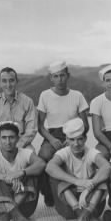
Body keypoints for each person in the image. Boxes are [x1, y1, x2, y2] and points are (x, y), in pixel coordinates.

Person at [37, 61, 90, 206]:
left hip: (74, 135)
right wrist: (52, 139)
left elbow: (85, 125)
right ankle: (48, 193)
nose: (60, 79)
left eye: (62, 75)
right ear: (51, 78)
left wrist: (73, 139)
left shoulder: (77, 95)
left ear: (68, 76)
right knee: (43, 157)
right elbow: (40, 126)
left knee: (80, 157)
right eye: (56, 76)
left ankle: (79, 190)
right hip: (53, 134)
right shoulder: (45, 95)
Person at [0, 121, 46, 221]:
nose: (8, 142)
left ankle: (9, 214)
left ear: (18, 138)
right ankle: (15, 215)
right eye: (4, 138)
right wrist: (5, 177)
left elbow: (41, 164)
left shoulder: (25, 153)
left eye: (11, 137)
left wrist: (21, 172)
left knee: (33, 172)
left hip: (25, 207)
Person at [46, 118, 111, 221]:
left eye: (80, 139)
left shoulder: (91, 152)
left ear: (85, 138)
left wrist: (88, 188)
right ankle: (84, 217)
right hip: (68, 207)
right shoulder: (63, 153)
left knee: (102, 177)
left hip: (91, 204)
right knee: (57, 175)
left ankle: (83, 217)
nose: (76, 144)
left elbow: (107, 167)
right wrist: (77, 181)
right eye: (72, 140)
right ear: (66, 139)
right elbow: (49, 167)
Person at [0, 67, 37, 152]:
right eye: (4, 81)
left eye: (11, 80)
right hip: (0, 145)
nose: (8, 85)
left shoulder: (28, 102)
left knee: (31, 155)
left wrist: (18, 145)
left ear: (17, 81)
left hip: (22, 144)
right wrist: (5, 146)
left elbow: (31, 130)